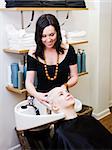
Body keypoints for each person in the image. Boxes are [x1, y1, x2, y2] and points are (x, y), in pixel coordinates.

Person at [25, 13, 78, 106]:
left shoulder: (68, 50)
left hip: (62, 99)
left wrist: (65, 86)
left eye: (51, 35)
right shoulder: (33, 54)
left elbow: (74, 77)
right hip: (42, 99)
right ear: (39, 36)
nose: (48, 40)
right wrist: (37, 95)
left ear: (57, 32)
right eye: (43, 36)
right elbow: (29, 82)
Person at [47, 87, 112, 150]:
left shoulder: (89, 119)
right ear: (55, 107)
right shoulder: (62, 133)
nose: (68, 93)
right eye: (61, 94)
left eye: (66, 91)